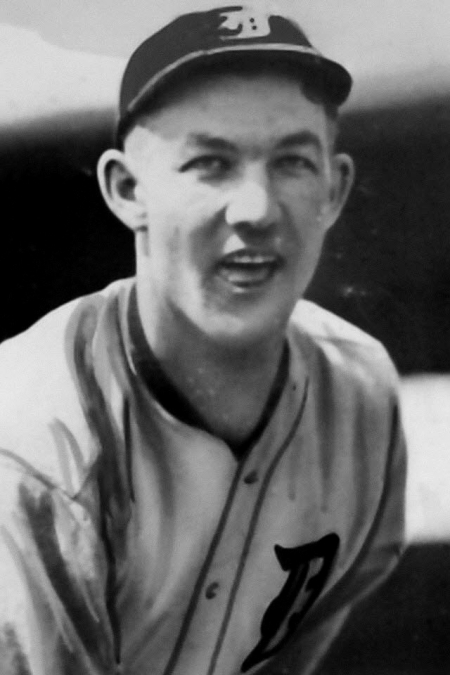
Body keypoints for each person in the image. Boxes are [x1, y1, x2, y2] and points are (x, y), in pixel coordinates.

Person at [0, 5, 406, 674]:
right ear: (128, 191)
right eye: (210, 163)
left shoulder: (360, 391)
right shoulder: (36, 443)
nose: (256, 209)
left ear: (334, 190)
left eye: (292, 162)